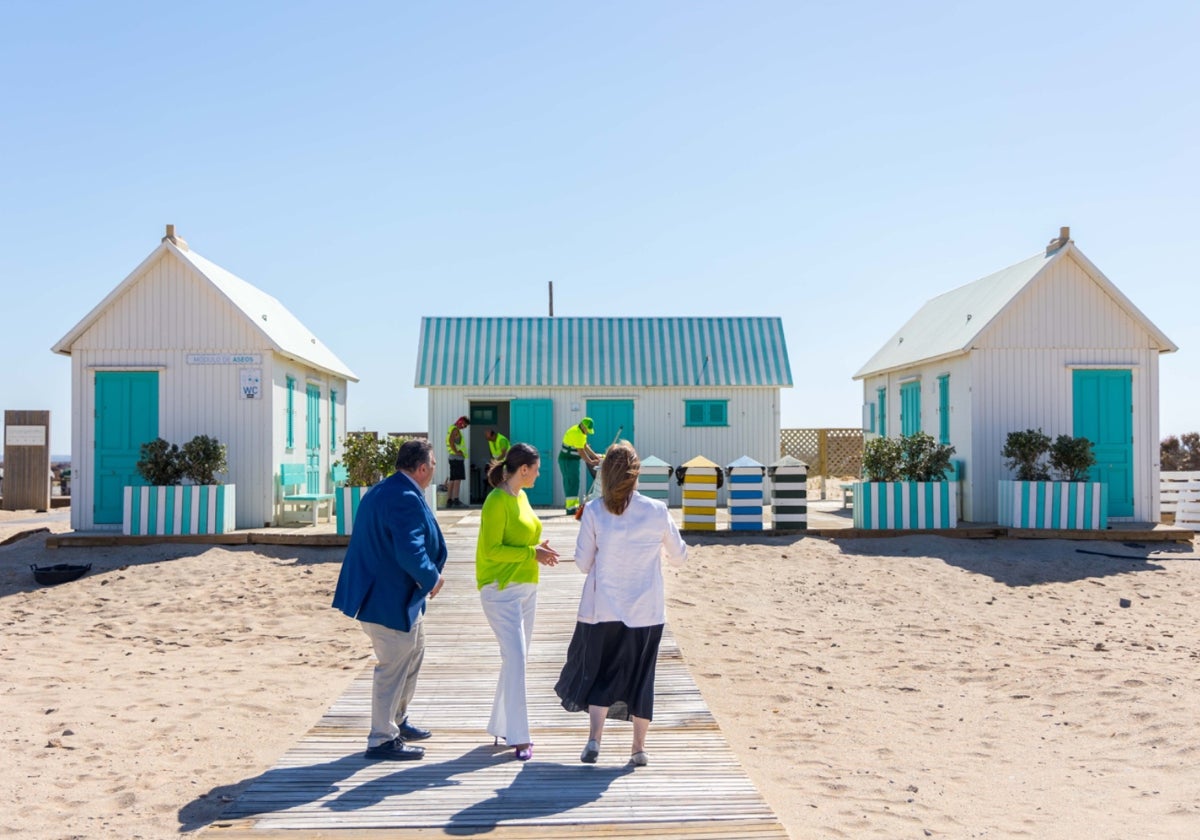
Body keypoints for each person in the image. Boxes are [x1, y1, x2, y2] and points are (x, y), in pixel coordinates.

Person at [554, 442, 687, 767]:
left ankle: (594, 741)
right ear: (636, 473)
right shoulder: (656, 510)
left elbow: (583, 563)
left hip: (603, 609)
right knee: (643, 677)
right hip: (647, 610)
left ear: (604, 475)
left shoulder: (596, 511)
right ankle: (638, 749)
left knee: (602, 673)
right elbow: (680, 557)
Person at [332, 439, 446, 761]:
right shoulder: (403, 497)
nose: (435, 468)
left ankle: (397, 720)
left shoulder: (385, 489)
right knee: (393, 666)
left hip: (396, 597)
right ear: (422, 468)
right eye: (433, 463)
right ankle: (382, 739)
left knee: (413, 654)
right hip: (388, 598)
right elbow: (409, 549)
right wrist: (432, 577)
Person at [475, 443, 560, 761]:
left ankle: (501, 723)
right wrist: (530, 552)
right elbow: (491, 550)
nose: (539, 473)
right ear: (523, 470)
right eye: (536, 469)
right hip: (500, 591)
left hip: (527, 588)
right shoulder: (496, 501)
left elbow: (520, 539)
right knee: (517, 659)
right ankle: (521, 738)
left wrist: (539, 548)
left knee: (516, 660)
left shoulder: (521, 497)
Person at [557, 416, 600, 514]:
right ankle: (571, 509)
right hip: (568, 461)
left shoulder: (581, 432)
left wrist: (595, 456)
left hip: (572, 461)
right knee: (571, 483)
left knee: (575, 482)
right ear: (583, 426)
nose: (588, 432)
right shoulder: (577, 434)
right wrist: (590, 461)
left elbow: (585, 446)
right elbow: (581, 451)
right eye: (587, 430)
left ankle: (574, 506)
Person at [445, 415, 470, 507]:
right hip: (456, 458)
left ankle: (449, 500)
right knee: (457, 479)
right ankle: (456, 499)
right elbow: (451, 441)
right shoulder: (455, 430)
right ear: (461, 422)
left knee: (452, 478)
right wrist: (457, 452)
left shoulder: (452, 428)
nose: (464, 427)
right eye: (464, 425)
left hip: (452, 457)